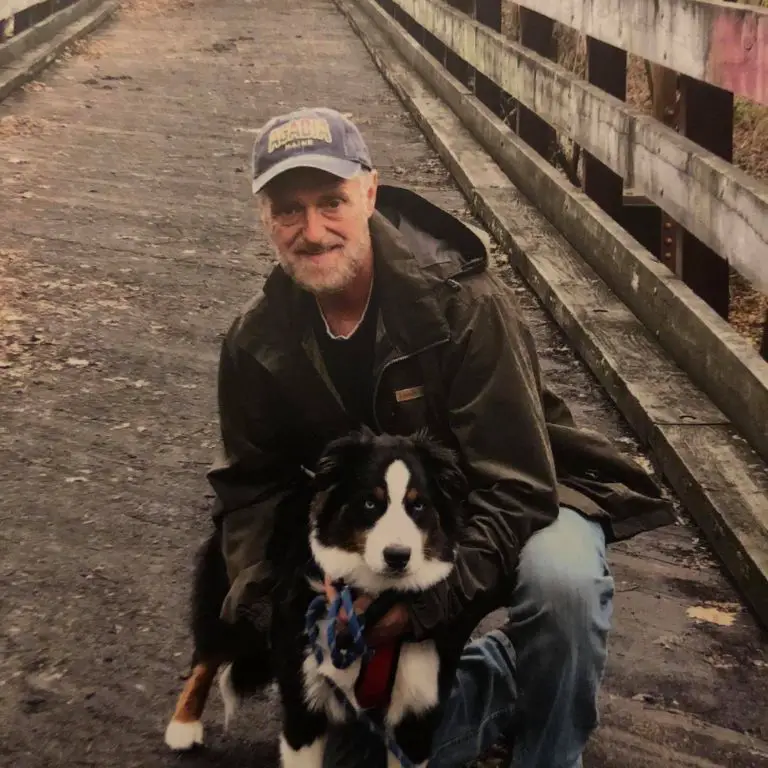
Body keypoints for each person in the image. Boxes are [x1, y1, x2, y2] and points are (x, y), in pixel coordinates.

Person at [206, 107, 675, 767]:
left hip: (528, 492)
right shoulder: (255, 340)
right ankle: (506, 676)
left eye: (332, 202)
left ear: (369, 192)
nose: (313, 231)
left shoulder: (464, 303)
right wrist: (279, 608)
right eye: (289, 210)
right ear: (264, 217)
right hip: (386, 535)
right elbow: (249, 490)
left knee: (561, 583)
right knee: (354, 757)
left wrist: (418, 611)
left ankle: (549, 752)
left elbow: (516, 483)